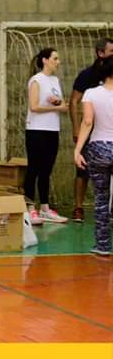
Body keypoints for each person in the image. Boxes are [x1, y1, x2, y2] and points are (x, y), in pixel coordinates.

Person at [73, 55, 113, 257]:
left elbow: (87, 122)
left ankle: (103, 245)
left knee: (101, 198)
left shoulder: (91, 93)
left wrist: (77, 149)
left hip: (98, 148)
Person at [24, 47, 70, 225]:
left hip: (52, 130)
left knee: (46, 170)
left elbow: (61, 104)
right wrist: (55, 107)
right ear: (45, 60)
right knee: (33, 169)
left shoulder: (55, 80)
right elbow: (34, 107)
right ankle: (29, 208)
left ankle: (45, 208)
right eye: (55, 58)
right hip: (36, 130)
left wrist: (58, 103)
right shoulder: (36, 80)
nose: (58, 62)